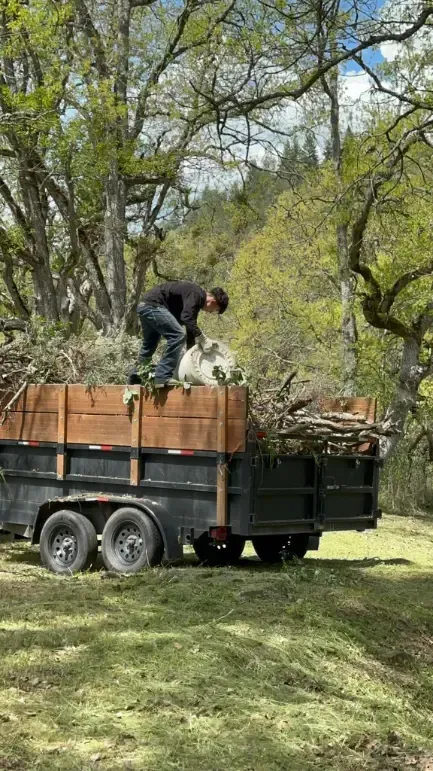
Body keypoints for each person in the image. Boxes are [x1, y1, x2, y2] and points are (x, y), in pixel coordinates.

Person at [128, 281, 229, 388]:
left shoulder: (195, 297)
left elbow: (190, 326)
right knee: (178, 335)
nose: (210, 312)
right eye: (215, 310)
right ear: (213, 302)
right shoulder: (197, 294)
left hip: (144, 306)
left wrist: (192, 353)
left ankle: (135, 378)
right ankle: (162, 376)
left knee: (150, 344)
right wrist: (202, 337)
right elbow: (187, 318)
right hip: (153, 306)